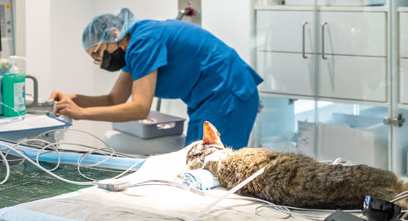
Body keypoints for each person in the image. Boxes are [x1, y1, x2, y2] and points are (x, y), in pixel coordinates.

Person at [50, 8, 263, 149]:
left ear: (114, 35)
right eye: (94, 59)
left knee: (212, 169)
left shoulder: (143, 42)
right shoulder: (134, 49)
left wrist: (81, 113)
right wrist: (74, 100)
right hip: (208, 101)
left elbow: (140, 108)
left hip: (228, 94)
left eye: (98, 53)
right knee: (195, 163)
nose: (100, 61)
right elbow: (114, 99)